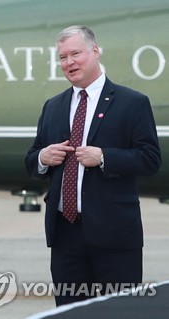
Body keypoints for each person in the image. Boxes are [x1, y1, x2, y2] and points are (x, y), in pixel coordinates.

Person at [25, 25, 161, 306]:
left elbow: (150, 159)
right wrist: (42, 158)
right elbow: (32, 158)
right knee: (70, 311)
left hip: (115, 237)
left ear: (95, 52)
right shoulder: (53, 106)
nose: (69, 62)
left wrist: (104, 157)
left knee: (121, 312)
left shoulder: (132, 103)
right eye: (63, 57)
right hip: (65, 235)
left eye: (76, 53)